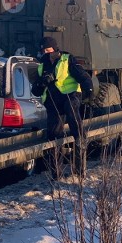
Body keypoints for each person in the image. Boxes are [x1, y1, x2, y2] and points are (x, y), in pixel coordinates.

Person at [31, 36, 93, 177]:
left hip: (71, 95)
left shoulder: (67, 59)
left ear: (54, 48)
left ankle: (79, 162)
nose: (46, 52)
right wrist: (43, 82)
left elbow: (81, 75)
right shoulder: (41, 65)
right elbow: (35, 90)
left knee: (72, 111)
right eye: (43, 50)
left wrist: (88, 89)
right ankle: (56, 174)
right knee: (54, 134)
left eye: (48, 49)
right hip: (53, 101)